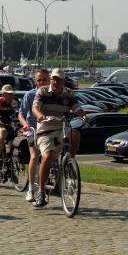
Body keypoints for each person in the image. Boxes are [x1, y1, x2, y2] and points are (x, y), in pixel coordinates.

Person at [32, 68, 89, 207]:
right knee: (47, 156)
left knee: (75, 133)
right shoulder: (43, 91)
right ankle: (41, 192)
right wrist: (40, 115)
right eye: (53, 79)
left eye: (59, 79)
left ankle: (70, 161)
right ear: (51, 79)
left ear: (63, 81)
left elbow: (77, 107)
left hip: (61, 128)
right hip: (45, 130)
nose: (55, 82)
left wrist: (83, 116)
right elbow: (35, 107)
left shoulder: (68, 94)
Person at [18, 69, 49, 202]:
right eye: (39, 80)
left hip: (48, 129)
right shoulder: (30, 95)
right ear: (35, 81)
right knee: (35, 156)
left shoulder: (52, 95)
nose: (41, 82)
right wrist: (25, 124)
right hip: (33, 129)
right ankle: (30, 189)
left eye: (44, 80)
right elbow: (21, 114)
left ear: (49, 80)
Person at [0, 84, 15, 165]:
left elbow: (19, 114)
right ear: (3, 94)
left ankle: (10, 160)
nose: (11, 95)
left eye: (11, 93)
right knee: (4, 131)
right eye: (8, 93)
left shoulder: (15, 102)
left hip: (9, 124)